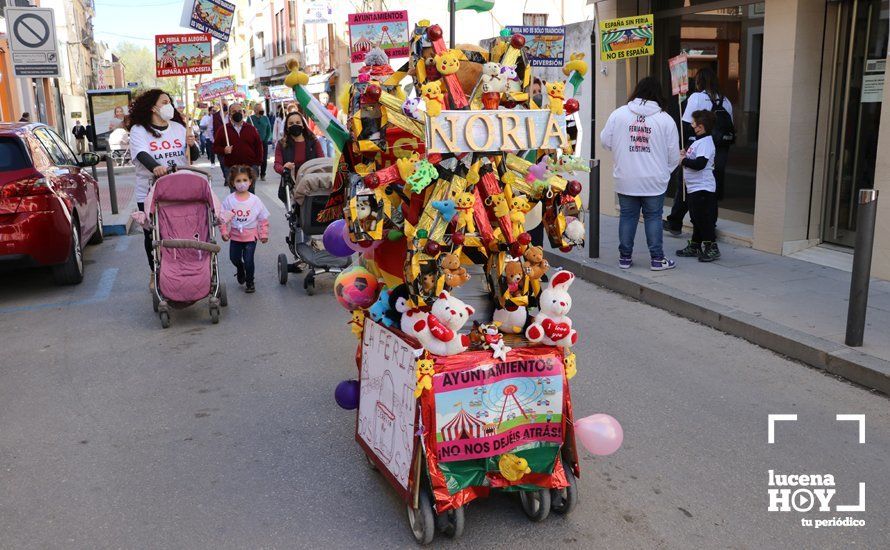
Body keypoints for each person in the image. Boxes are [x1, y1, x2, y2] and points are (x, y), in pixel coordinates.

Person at [600, 77, 680, 271]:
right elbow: (674, 154)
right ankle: (657, 259)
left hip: (626, 177)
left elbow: (605, 141)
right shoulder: (665, 119)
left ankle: (625, 258)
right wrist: (666, 171)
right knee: (653, 217)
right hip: (654, 179)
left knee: (627, 216)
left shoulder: (619, 114)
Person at [126, 88, 199, 284]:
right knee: (152, 234)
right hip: (150, 190)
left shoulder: (179, 128)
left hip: (179, 188)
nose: (169, 106)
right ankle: (155, 270)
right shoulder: (139, 130)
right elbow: (141, 153)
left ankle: (184, 267)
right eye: (164, 102)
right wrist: (156, 167)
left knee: (182, 230)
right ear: (153, 108)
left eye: (170, 102)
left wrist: (191, 145)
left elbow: (193, 156)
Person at [665, 67, 734, 235]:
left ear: (699, 82)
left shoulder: (696, 97)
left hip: (699, 146)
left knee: (687, 183)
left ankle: (675, 222)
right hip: (719, 150)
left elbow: (688, 124)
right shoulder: (726, 101)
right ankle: (711, 223)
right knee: (711, 187)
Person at [676, 110, 721, 262]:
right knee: (696, 218)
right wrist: (685, 155)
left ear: (700, 126)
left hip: (702, 188)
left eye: (694, 122)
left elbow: (700, 164)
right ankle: (695, 245)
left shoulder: (706, 142)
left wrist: (683, 161)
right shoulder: (698, 141)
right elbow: (694, 158)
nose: (691, 124)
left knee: (702, 219)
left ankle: (711, 247)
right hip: (694, 187)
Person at [220, 166, 269, 294]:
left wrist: (263, 234)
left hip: (251, 237)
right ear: (232, 183)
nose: (242, 183)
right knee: (234, 259)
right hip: (235, 237)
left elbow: (263, 218)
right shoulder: (229, 200)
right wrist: (224, 232)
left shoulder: (255, 200)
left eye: (245, 180)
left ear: (250, 181)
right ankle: (240, 268)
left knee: (249, 260)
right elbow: (223, 218)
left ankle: (250, 282)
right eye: (238, 181)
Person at [273, 112, 322, 204]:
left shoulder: (314, 142)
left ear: (303, 125)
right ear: (287, 127)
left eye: (298, 122)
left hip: (312, 185)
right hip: (291, 186)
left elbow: (321, 161)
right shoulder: (282, 144)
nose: (295, 125)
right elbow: (277, 165)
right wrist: (284, 168)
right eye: (291, 123)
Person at [213, 102, 263, 190]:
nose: (237, 113)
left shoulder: (251, 129)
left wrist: (256, 165)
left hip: (249, 168)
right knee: (235, 198)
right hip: (232, 169)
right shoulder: (223, 130)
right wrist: (224, 150)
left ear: (243, 113)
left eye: (240, 111)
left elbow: (259, 147)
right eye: (234, 111)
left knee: (250, 196)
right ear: (229, 114)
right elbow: (215, 147)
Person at [247, 102, 273, 181]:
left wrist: (266, 139)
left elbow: (268, 129)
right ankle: (256, 172)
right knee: (255, 158)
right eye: (258, 109)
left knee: (264, 158)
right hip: (254, 143)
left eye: (261, 108)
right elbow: (247, 129)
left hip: (263, 141)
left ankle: (263, 174)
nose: (260, 110)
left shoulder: (265, 118)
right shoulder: (250, 118)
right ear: (255, 110)